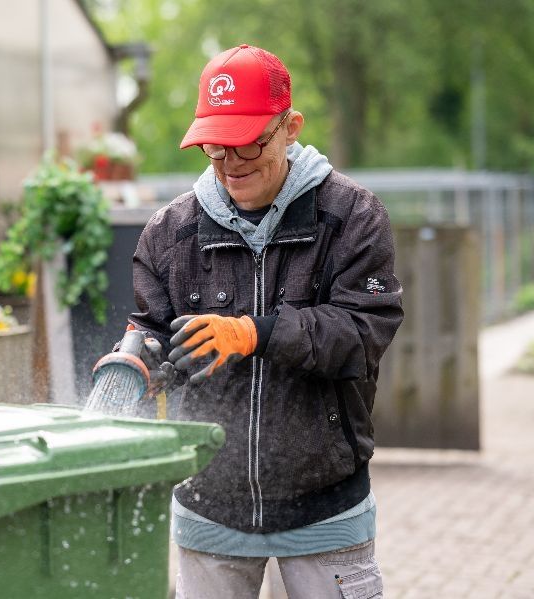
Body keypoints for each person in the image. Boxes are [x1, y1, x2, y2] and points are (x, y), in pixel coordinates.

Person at [127, 44, 403, 598]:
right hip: (210, 508)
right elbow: (152, 327)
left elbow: (362, 334)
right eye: (215, 145)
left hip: (325, 509)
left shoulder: (351, 216)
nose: (232, 161)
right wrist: (135, 358)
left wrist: (258, 332)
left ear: (290, 126)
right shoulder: (170, 231)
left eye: (250, 140)